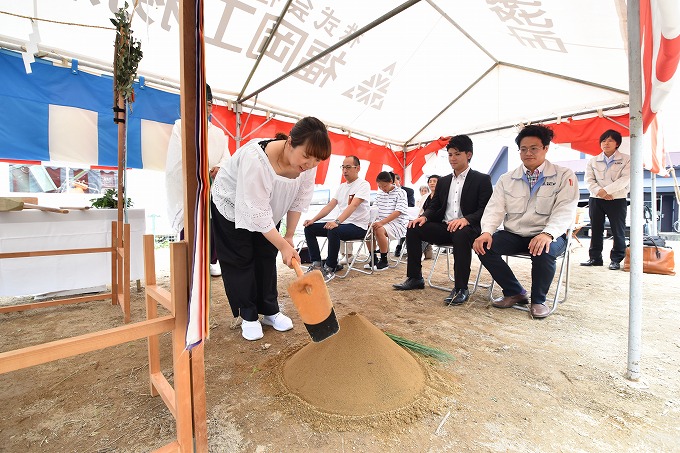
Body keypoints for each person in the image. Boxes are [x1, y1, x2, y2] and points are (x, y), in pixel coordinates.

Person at [210, 117, 332, 340]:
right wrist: (282, 244)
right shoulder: (255, 159)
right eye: (306, 156)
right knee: (241, 258)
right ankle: (247, 315)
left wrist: (287, 237)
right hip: (232, 205)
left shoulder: (308, 165)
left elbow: (298, 200)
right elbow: (256, 211)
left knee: (267, 255)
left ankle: (269, 310)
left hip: (268, 208)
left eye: (317, 161)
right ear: (290, 142)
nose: (310, 164)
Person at [473, 124, 579, 319]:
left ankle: (539, 300)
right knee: (483, 246)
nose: (528, 153)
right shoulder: (507, 178)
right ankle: (515, 292)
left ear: (546, 148)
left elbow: (565, 209)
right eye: (523, 149)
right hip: (515, 233)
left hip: (549, 234)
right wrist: (486, 231)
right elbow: (494, 208)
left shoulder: (564, 175)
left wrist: (548, 234)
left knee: (543, 249)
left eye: (534, 148)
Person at [393, 136, 492, 305]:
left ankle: (461, 288)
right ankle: (415, 277)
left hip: (468, 228)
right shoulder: (444, 181)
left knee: (461, 234)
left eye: (457, 154)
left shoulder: (481, 179)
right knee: (413, 228)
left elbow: (486, 209)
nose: (452, 158)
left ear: (469, 155)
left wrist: (466, 219)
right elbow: (435, 205)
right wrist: (424, 217)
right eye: (450, 154)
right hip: (445, 227)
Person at [166, 84, 229, 277]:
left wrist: (220, 168)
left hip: (214, 187)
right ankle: (189, 263)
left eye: (208, 104)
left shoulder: (219, 133)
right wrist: (202, 171)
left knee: (213, 225)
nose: (204, 108)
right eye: (198, 103)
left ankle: (211, 261)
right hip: (192, 187)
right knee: (192, 224)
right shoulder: (181, 126)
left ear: (211, 106)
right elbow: (177, 160)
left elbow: (227, 158)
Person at [302, 155, 371, 280]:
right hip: (343, 225)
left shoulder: (363, 185)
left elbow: (353, 205)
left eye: (348, 167)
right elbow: (330, 206)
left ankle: (330, 267)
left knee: (333, 229)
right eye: (343, 167)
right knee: (309, 228)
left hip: (358, 226)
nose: (345, 171)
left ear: (358, 168)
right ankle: (316, 263)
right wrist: (313, 220)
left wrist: (337, 221)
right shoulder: (342, 187)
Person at [581, 129, 631, 270]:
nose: (606, 143)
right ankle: (595, 258)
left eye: (610, 140)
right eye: (603, 140)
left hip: (617, 199)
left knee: (618, 230)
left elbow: (625, 179)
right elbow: (588, 180)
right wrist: (599, 192)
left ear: (617, 144)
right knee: (596, 229)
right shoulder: (593, 160)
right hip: (596, 199)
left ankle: (616, 259)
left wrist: (606, 191)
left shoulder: (627, 159)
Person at [365, 171, 409, 271]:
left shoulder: (401, 192)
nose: (382, 189)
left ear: (391, 182)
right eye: (380, 186)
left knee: (379, 229)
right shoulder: (380, 194)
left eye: (384, 186)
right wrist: (371, 221)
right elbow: (374, 208)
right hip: (383, 222)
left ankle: (384, 260)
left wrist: (381, 222)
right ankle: (373, 258)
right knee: (368, 228)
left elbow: (398, 212)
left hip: (398, 223)